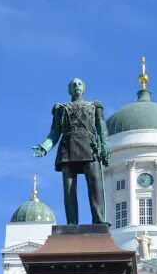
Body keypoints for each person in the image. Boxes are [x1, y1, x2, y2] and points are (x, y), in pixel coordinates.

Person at [32, 78, 111, 225]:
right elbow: (54, 133)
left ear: (84, 88)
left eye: (79, 84)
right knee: (69, 189)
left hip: (89, 146)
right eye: (73, 85)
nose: (76, 86)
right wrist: (45, 147)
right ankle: (72, 223)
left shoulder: (94, 107)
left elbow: (101, 128)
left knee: (95, 185)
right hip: (68, 147)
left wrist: (105, 145)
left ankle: (98, 219)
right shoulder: (61, 109)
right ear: (69, 90)